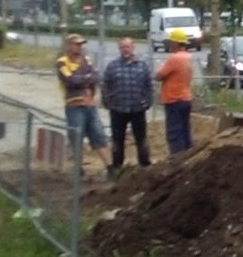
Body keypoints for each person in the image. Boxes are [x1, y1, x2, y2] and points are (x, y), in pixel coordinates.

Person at [55, 33, 112, 177]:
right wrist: (86, 77)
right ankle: (78, 167)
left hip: (90, 105)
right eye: (77, 44)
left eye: (81, 45)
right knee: (76, 136)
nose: (80, 47)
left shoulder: (87, 59)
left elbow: (96, 76)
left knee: (99, 135)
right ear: (69, 45)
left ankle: (111, 167)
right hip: (74, 105)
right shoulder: (62, 62)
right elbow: (70, 80)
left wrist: (83, 77)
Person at [101, 37, 153, 174]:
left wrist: (148, 101)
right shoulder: (112, 66)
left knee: (141, 139)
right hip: (118, 109)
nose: (126, 49)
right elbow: (105, 85)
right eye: (123, 47)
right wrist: (107, 101)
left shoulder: (142, 65)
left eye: (128, 47)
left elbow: (149, 85)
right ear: (119, 49)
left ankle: (145, 166)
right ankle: (117, 167)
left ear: (133, 48)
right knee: (117, 141)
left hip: (138, 109)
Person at [155, 27, 194, 154]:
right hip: (186, 98)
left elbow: (159, 76)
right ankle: (188, 156)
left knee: (174, 132)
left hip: (174, 99)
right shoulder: (188, 57)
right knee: (185, 130)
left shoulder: (175, 59)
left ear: (176, 43)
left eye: (171, 42)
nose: (169, 44)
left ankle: (177, 159)